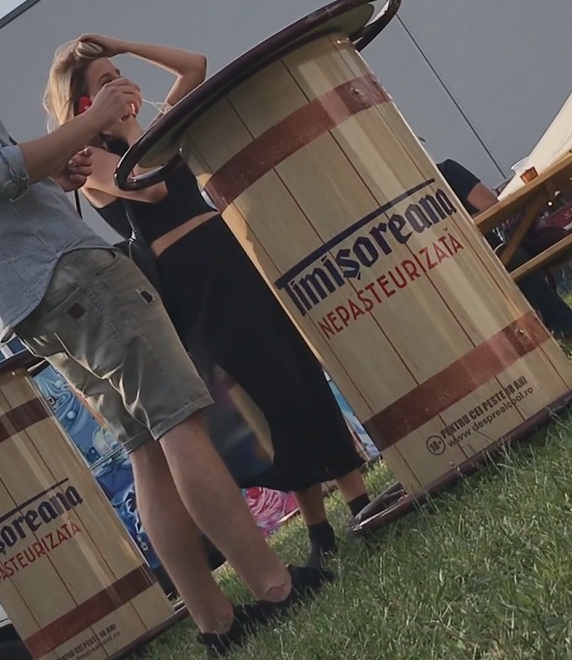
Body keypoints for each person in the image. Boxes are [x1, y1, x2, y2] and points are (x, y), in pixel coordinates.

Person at [0, 0, 329, 655]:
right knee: (181, 423)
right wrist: (88, 121)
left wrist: (49, 171)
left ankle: (215, 622)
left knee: (146, 448)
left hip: (23, 299)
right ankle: (274, 585)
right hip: (70, 271)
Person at [42, 33, 371, 569]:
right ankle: (318, 525)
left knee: (296, 368)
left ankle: (356, 500)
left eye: (118, 76)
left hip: (227, 252)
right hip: (190, 280)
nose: (121, 84)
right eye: (105, 82)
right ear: (83, 105)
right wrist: (124, 129)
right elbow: (150, 189)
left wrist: (122, 46)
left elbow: (194, 67)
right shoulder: (91, 160)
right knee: (265, 387)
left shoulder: (150, 130)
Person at [436, 158, 572, 340]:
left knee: (511, 257)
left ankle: (561, 327)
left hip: (486, 251)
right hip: (444, 268)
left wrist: (455, 229)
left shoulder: (446, 171)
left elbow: (490, 205)